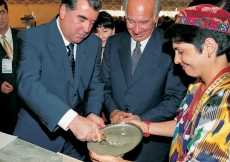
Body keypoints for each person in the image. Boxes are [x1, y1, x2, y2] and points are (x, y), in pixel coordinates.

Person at [90, 4, 230, 162]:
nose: (176, 60)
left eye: (181, 51)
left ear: (209, 47)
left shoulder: (223, 101)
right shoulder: (197, 86)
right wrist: (144, 126)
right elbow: (183, 126)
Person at [13, 0, 105, 161]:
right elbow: (27, 84)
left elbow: (95, 83)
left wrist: (91, 113)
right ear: (63, 11)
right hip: (38, 139)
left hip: (77, 145)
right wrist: (73, 121)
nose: (87, 29)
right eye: (82, 19)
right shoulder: (33, 38)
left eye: (92, 22)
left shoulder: (94, 43)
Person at [101, 0, 187, 161]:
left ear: (157, 18)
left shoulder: (171, 47)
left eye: (144, 22)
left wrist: (142, 120)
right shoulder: (113, 43)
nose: (136, 29)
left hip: (151, 145)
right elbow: (104, 86)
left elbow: (175, 98)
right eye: (131, 21)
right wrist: (113, 111)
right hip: (114, 138)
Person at [0, 0, 21, 134]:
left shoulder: (22, 36)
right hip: (2, 110)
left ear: (7, 13)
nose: (0, 17)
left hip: (24, 106)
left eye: (2, 12)